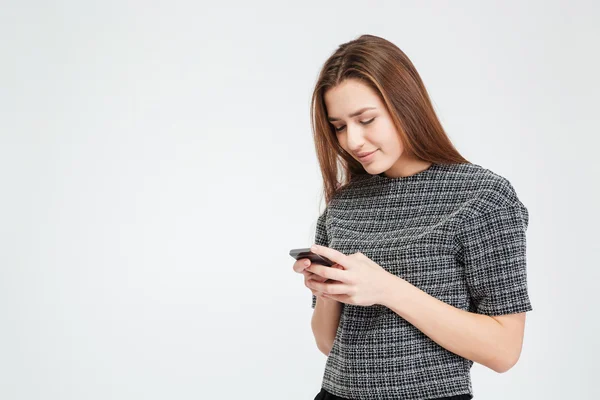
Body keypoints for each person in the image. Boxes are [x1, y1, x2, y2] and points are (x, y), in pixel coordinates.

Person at [292, 34, 532, 400]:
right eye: (339, 126)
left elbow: (504, 350)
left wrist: (386, 289)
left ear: (406, 105)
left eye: (366, 119)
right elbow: (328, 344)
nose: (352, 141)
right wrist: (327, 290)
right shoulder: (343, 205)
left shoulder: (483, 197)